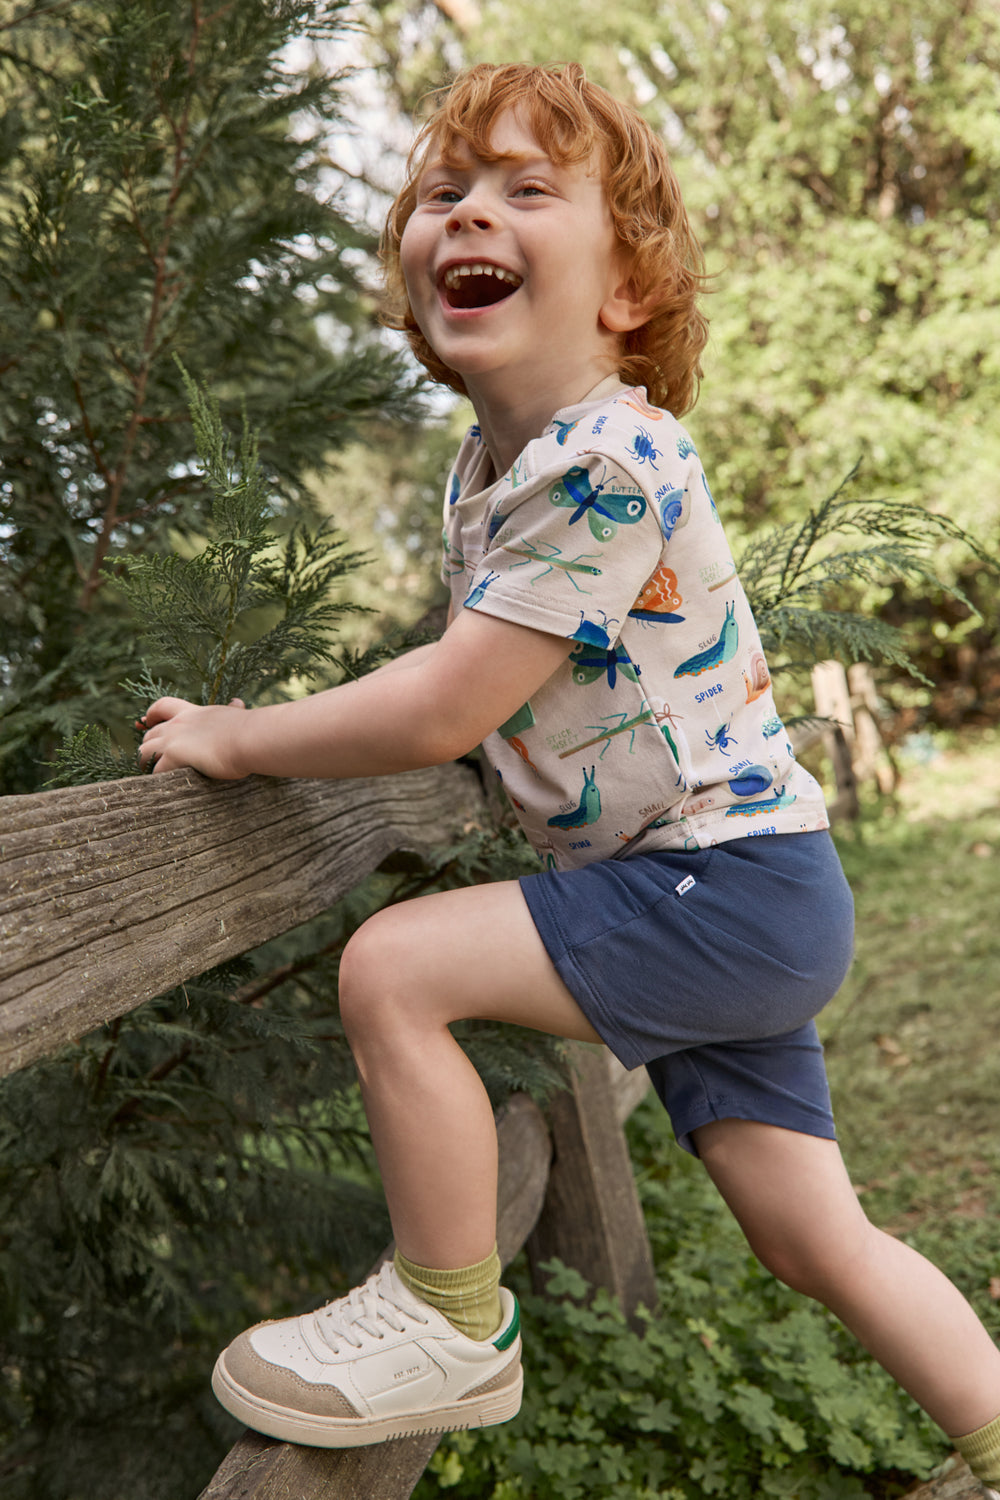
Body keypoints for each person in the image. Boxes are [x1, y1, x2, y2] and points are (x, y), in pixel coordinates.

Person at [138, 62, 1000, 1488]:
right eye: (443, 193)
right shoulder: (503, 471)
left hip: (716, 887)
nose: (469, 211)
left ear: (628, 293)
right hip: (746, 888)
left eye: (529, 191)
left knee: (394, 969)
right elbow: (490, 676)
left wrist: (242, 733)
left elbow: (446, 704)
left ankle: (446, 1317)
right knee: (809, 1239)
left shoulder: (611, 456)